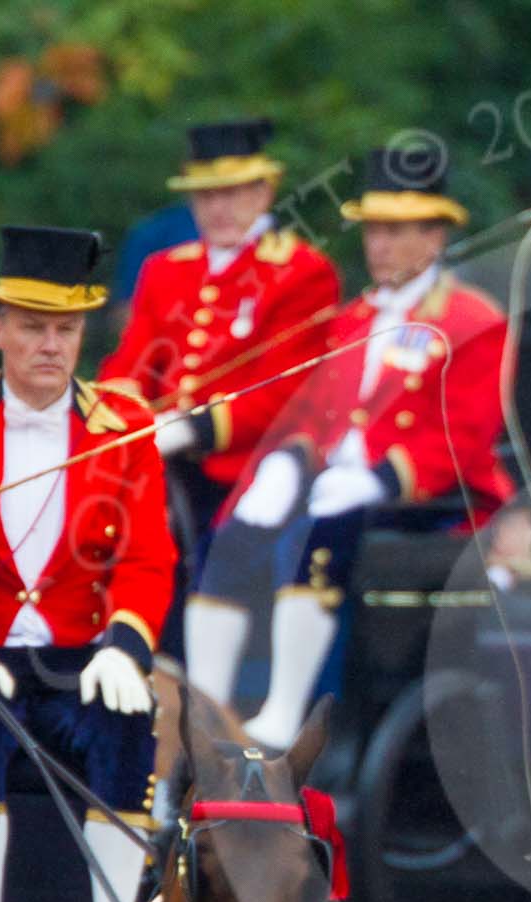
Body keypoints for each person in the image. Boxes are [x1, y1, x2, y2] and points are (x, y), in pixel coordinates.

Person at [185, 148, 514, 750]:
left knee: (316, 533)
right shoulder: (352, 320)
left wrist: (383, 479)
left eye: (393, 232)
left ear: (434, 235)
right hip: (333, 483)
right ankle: (207, 715)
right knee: (226, 538)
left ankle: (285, 713)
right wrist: (285, 464)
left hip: (431, 504)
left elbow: (465, 435)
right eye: (372, 231)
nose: (377, 246)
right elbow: (310, 411)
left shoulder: (472, 320)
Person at [0, 227, 176, 902]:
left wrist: (124, 646)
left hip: (79, 656)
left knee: (126, 724)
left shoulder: (123, 425)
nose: (51, 345)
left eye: (66, 328)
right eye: (33, 328)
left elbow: (148, 557)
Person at [98, 118, 341, 629]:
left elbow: (284, 392)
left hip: (246, 463)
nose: (218, 208)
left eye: (232, 193)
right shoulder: (166, 269)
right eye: (206, 195)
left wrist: (191, 429)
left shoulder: (300, 271)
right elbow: (131, 364)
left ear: (264, 190)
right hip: (161, 460)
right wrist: (117, 417)